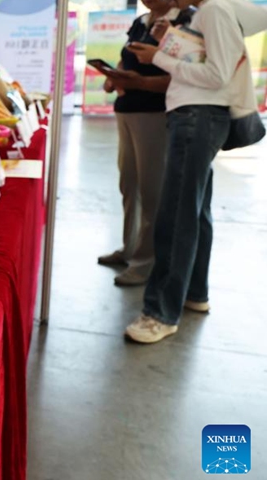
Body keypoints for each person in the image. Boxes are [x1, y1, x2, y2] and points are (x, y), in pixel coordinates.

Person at [123, 0, 257, 343]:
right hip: (196, 118)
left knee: (177, 214)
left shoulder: (214, 11)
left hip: (198, 117)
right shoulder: (209, 13)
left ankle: (160, 313)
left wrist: (159, 57)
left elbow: (216, 75)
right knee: (195, 211)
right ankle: (194, 292)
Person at [96, 1, 193, 287]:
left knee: (152, 191)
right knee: (129, 184)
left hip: (155, 113)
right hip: (126, 109)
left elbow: (183, 74)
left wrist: (140, 83)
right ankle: (129, 248)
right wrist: (114, 77)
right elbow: (126, 58)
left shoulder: (185, 21)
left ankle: (144, 261)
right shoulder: (142, 21)